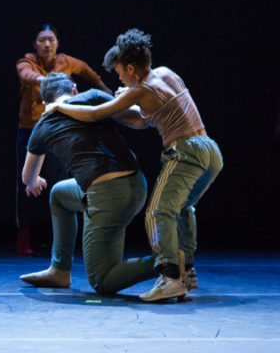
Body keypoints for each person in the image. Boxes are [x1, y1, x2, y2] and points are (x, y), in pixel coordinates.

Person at [45, 29, 222, 302]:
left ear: (130, 67)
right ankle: (187, 271)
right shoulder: (166, 73)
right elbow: (142, 119)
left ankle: (170, 276)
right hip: (210, 150)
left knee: (157, 211)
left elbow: (94, 114)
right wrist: (126, 97)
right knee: (182, 208)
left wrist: (60, 107)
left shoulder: (141, 89)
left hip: (185, 152)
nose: (120, 78)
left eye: (120, 73)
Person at [19, 73, 156, 294]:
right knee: (60, 194)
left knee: (101, 281)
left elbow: (27, 178)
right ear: (74, 89)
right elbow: (139, 120)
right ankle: (59, 270)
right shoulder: (93, 96)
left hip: (108, 196)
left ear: (45, 103)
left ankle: (168, 261)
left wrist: (36, 181)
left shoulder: (43, 125)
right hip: (137, 185)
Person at [16, 24, 111, 256]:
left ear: (57, 42)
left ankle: (62, 238)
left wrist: (110, 94)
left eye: (51, 39)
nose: (47, 44)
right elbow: (27, 77)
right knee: (26, 185)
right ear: (34, 44)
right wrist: (50, 83)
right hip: (31, 130)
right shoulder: (26, 62)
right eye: (42, 40)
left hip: (59, 129)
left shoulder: (67, 61)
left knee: (61, 182)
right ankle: (23, 235)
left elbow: (91, 74)